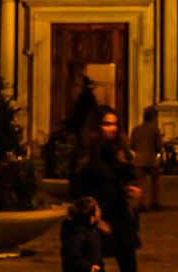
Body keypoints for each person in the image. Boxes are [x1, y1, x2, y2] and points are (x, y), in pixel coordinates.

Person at [71, 106, 141, 272]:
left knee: (129, 264)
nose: (113, 128)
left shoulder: (119, 150)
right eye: (107, 124)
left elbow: (128, 173)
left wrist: (131, 187)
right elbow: (76, 190)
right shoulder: (83, 152)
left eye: (115, 124)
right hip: (94, 219)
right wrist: (95, 220)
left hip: (119, 216)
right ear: (96, 126)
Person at [129, 107, 163, 212]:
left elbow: (131, 145)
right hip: (151, 160)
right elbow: (158, 146)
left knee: (140, 183)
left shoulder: (136, 129)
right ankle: (154, 203)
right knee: (155, 182)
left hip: (139, 160)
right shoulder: (155, 130)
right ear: (152, 118)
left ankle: (140, 204)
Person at [61, 196, 105, 272]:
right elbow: (71, 256)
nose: (100, 210)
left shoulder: (90, 230)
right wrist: (89, 267)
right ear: (92, 218)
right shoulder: (78, 234)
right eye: (97, 210)